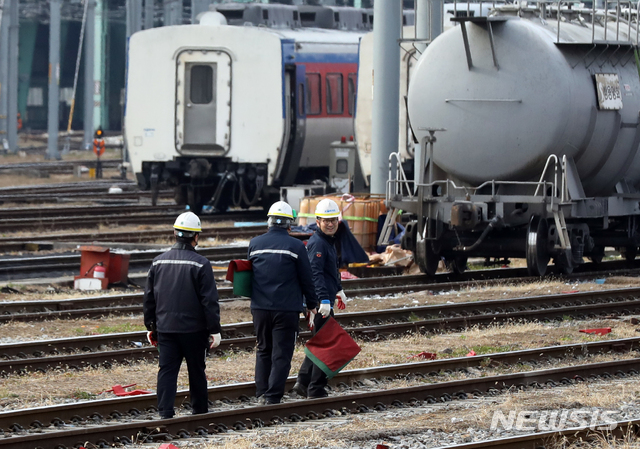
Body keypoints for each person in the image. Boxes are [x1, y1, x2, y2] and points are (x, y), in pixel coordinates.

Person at [143, 211, 222, 419]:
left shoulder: (158, 262)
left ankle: (165, 412)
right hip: (194, 331)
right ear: (196, 237)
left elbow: (149, 298)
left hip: (166, 328)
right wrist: (214, 329)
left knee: (167, 371)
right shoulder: (201, 264)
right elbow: (209, 301)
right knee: (196, 371)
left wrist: (151, 326)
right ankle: (200, 411)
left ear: (175, 234)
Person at [248, 200, 319, 404]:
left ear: (269, 223)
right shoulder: (296, 246)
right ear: (290, 224)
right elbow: (307, 279)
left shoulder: (255, 244)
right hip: (286, 309)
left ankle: (261, 392)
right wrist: (312, 305)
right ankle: (272, 396)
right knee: (281, 352)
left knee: (263, 349)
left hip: (260, 307)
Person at [293, 198, 348, 399]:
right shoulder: (318, 243)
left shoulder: (328, 241)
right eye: (326, 220)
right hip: (321, 304)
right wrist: (323, 300)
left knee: (320, 342)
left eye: (333, 220)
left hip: (325, 301)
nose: (330, 223)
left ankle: (303, 382)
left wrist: (339, 289)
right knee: (326, 346)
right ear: (317, 222)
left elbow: (330, 271)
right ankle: (316, 389)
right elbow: (314, 274)